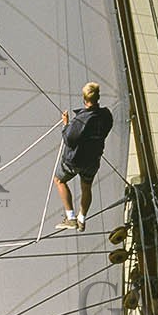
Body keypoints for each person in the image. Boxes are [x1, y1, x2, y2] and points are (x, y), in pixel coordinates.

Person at [54, 82, 113, 231]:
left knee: (59, 180)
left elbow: (69, 139)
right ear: (98, 97)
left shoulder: (81, 120)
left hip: (75, 161)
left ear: (84, 98)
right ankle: (82, 218)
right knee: (86, 187)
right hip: (92, 161)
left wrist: (66, 124)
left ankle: (71, 217)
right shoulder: (106, 115)